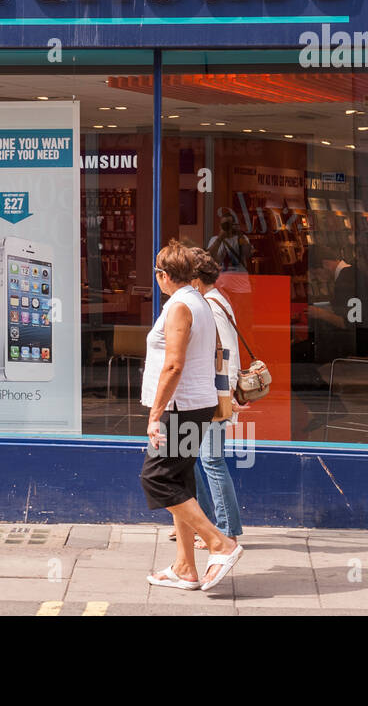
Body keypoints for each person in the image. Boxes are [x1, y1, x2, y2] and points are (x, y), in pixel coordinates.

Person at [141, 240, 245, 591]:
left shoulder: (181, 306)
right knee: (181, 480)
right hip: (193, 405)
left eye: (157, 273)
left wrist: (155, 414)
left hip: (180, 407)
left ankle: (220, 543)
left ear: (164, 275)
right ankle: (185, 566)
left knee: (157, 479)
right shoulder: (197, 301)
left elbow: (173, 364)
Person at [189, 249, 245, 550]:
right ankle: (204, 523)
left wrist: (232, 392)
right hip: (208, 393)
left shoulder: (211, 304)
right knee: (191, 458)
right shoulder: (214, 300)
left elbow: (229, 354)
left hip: (216, 394)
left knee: (211, 459)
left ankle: (226, 531)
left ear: (196, 280)